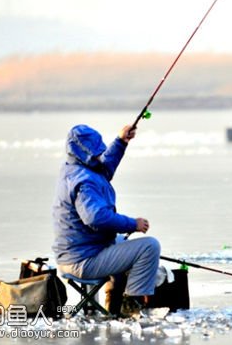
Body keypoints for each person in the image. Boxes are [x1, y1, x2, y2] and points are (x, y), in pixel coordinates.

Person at [52, 124, 160, 317]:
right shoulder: (84, 182)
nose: (98, 155)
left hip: (74, 252)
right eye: (95, 151)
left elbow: (103, 167)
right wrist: (132, 224)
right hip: (84, 260)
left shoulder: (73, 168)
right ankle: (130, 306)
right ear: (85, 152)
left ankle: (113, 301)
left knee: (121, 243)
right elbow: (96, 218)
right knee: (149, 246)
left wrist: (121, 142)